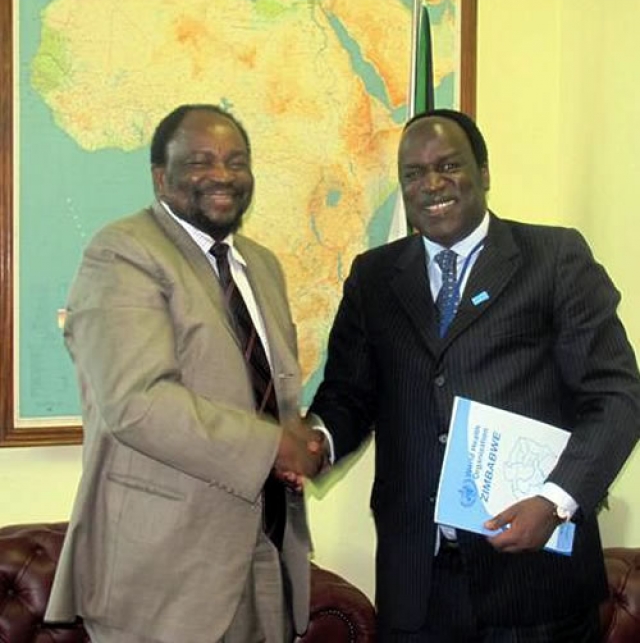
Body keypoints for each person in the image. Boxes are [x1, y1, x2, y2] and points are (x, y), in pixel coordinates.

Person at [309, 108, 640, 642]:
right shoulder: (373, 278)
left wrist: (556, 501)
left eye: (448, 166)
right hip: (418, 585)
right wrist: (314, 442)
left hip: (536, 581)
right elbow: (350, 394)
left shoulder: (553, 259)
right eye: (413, 174)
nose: (431, 184)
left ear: (483, 173)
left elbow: (617, 396)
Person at [44, 104, 322, 643]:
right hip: (164, 578)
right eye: (200, 161)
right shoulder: (122, 253)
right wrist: (271, 447)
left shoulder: (260, 265)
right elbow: (137, 402)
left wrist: (304, 443)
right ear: (160, 177)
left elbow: (267, 396)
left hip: (264, 557)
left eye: (236, 161)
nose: (222, 175)